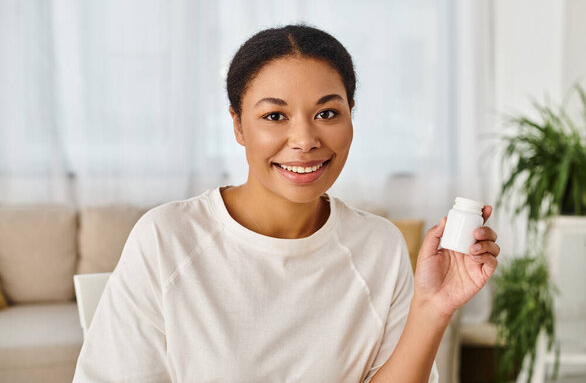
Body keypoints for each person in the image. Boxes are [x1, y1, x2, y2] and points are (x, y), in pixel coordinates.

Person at [72, 23, 500, 383]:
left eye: (327, 113)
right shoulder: (168, 238)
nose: (305, 141)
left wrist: (433, 308)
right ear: (238, 125)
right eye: (275, 116)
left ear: (352, 115)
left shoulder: (378, 245)